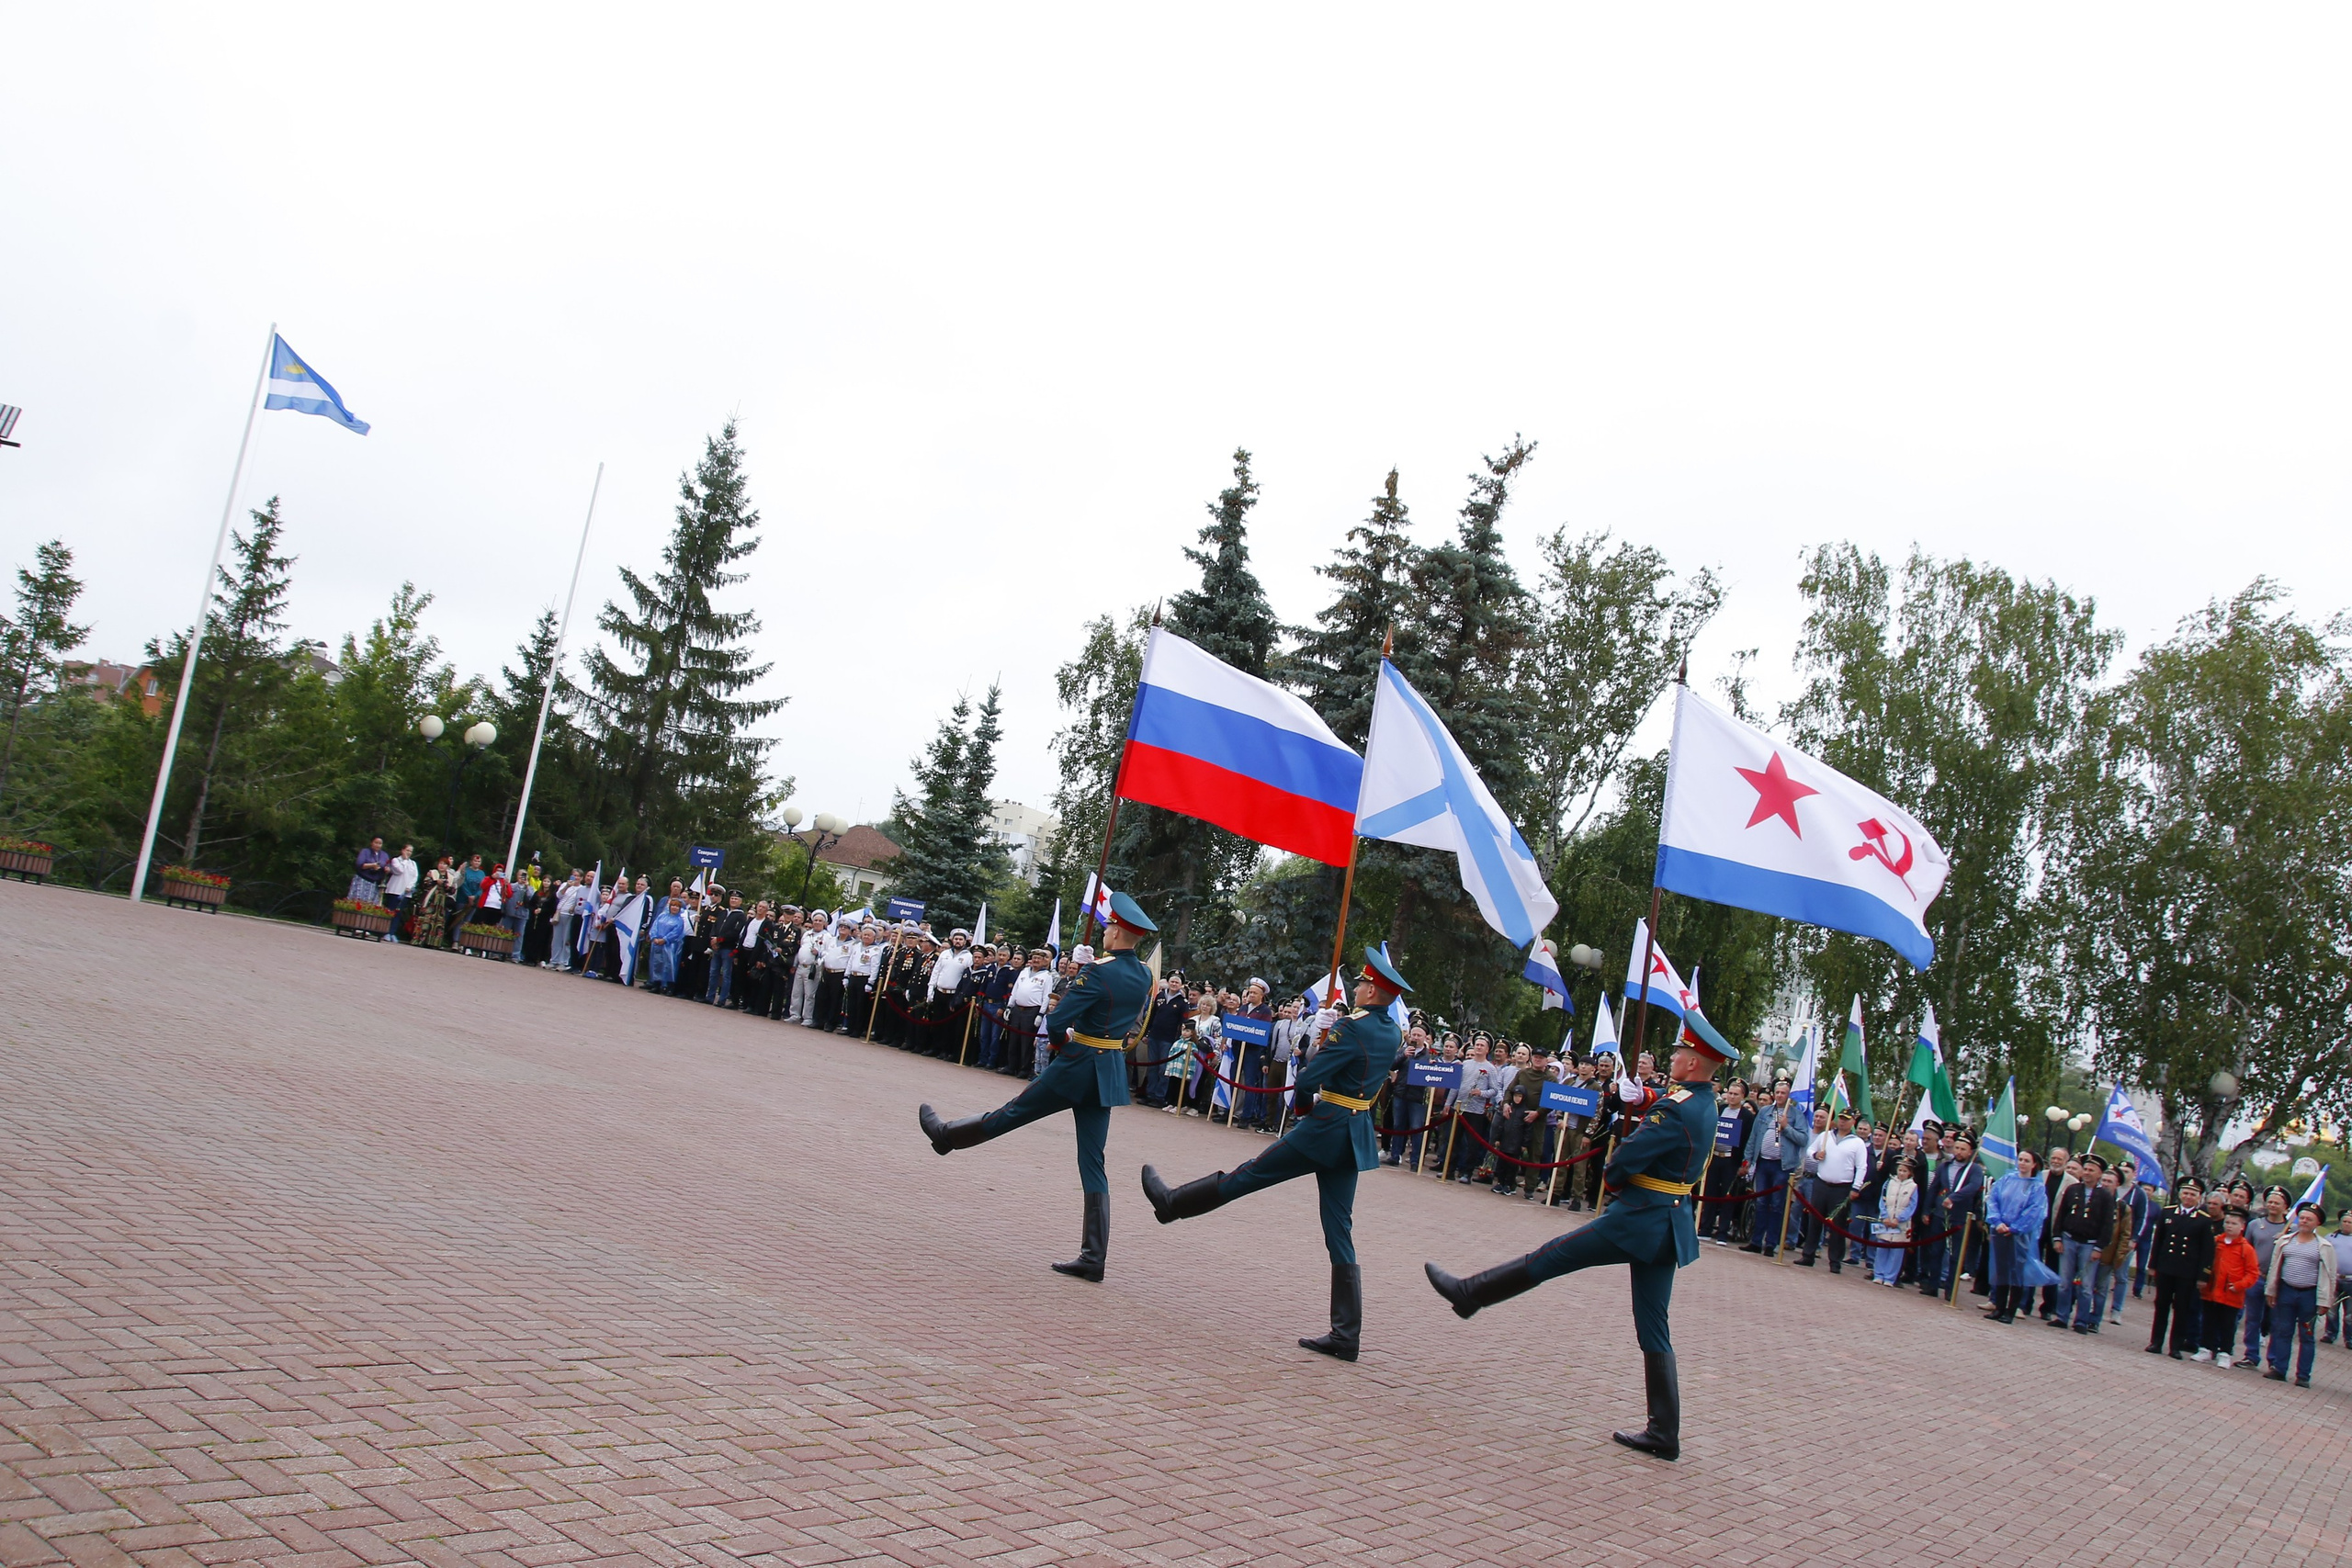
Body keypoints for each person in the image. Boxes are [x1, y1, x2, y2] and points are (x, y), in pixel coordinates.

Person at [1421, 1016, 1737, 1463]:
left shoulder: (1676, 1106)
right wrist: (1645, 1098)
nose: (1671, 1058)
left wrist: (1615, 1174)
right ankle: (1664, 1431)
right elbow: (1669, 1117)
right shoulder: (1704, 1101)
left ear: (1692, 1061)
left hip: (1639, 1218)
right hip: (1669, 1221)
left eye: (1677, 1054)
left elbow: (1626, 1159)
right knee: (1653, 1323)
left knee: (1551, 1256)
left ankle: (1470, 1293)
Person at [1141, 948, 1412, 1361]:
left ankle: (1172, 1202)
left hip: (1324, 1127)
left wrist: (1312, 1065)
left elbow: (1310, 1079)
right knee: (1339, 1228)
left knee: (1247, 1175)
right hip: (1355, 1131)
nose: (1356, 987)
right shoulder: (1391, 1031)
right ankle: (1346, 1334)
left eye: (1362, 983)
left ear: (1373, 991)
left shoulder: (1351, 1029)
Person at [919, 893, 1158, 1282]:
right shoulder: (1145, 975)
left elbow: (1060, 1016)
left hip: (1077, 1065)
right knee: (1093, 1161)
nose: (1105, 934)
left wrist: (1064, 1042)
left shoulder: (1098, 970)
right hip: (1108, 1069)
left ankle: (947, 1136)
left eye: (1108, 928)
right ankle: (1093, 1257)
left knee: (1012, 1113)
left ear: (1116, 930)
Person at [2262, 1203, 2337, 1386]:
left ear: (2317, 1223)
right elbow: (2274, 1268)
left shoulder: (2324, 1247)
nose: (2304, 1221)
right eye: (2301, 1218)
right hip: (2286, 1291)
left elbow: (2330, 1276)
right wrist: (2271, 1290)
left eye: (2308, 1219)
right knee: (2282, 1331)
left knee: (2307, 1335)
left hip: (2308, 1295)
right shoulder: (2286, 1241)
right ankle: (2279, 1368)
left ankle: (2303, 1375)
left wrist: (2325, 1301)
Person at [2144, 1179, 2214, 1359]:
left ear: (2199, 1197)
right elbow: (2158, 1241)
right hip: (2166, 1267)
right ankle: (2156, 1342)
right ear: (2180, 1194)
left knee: (2182, 1309)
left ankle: (2175, 1346)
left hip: (2187, 1271)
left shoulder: (2204, 1220)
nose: (2188, 1197)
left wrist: (2202, 1276)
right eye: (2185, 1193)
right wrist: (2152, 1265)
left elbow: (2207, 1251)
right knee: (2161, 1305)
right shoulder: (2168, 1213)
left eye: (2193, 1194)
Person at [1983, 1148, 2052, 1324]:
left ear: (2034, 1164)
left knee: (2016, 1272)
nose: (2022, 1163)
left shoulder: (2036, 1187)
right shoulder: (2006, 1180)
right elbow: (1992, 1199)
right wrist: (1997, 1221)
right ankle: (1998, 1307)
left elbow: (2035, 1211)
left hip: (2020, 1236)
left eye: (2026, 1160)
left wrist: (2015, 1228)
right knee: (2001, 1270)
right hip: (1999, 1230)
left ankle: (2011, 1310)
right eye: (2020, 1159)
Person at [2050, 1155, 2117, 1333]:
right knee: (2064, 1282)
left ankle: (2081, 1320)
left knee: (2086, 1286)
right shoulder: (2072, 1190)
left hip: (2090, 1244)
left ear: (2099, 1173)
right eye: (2085, 1169)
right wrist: (2057, 1237)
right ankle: (2062, 1316)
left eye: (2091, 1170)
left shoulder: (2105, 1196)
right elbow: (2061, 1215)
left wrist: (2099, 1247)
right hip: (2069, 1239)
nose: (2087, 1173)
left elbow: (2107, 1225)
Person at [1798, 1109, 1868, 1272]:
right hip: (1821, 1183)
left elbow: (1862, 1167)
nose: (1842, 1122)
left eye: (1846, 1119)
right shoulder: (1826, 1136)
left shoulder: (1857, 1143)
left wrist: (1856, 1187)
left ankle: (1835, 1261)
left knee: (1838, 1225)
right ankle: (1808, 1254)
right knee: (1814, 1220)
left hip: (1842, 1188)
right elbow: (1809, 1150)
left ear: (1852, 1122)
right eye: (1841, 1118)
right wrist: (1816, 1155)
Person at [2196, 1208, 2259, 1366]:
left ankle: (2225, 1352)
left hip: (2231, 1294)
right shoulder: (2216, 1242)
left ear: (2242, 1227)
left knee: (2227, 1324)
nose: (2229, 1226)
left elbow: (2252, 1273)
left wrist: (2239, 1285)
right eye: (2227, 1222)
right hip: (2211, 1291)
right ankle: (2205, 1349)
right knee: (2208, 1320)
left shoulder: (2246, 1249)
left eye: (2234, 1223)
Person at [2240, 1187, 2291, 1371]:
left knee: (2277, 1322)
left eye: (2277, 1202)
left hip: (2278, 1282)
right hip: (2257, 1277)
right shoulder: (2255, 1225)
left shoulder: (2292, 1229)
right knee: (2252, 1318)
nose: (2272, 1205)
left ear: (2285, 1206)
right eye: (2270, 1201)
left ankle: (2274, 1360)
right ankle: (2251, 1355)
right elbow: (2246, 1249)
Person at [1872, 1156, 1918, 1285]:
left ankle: (1890, 1277)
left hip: (1901, 1223)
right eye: (1900, 1170)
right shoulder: (1889, 1183)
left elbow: (1912, 1206)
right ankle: (1878, 1274)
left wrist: (1900, 1218)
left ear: (1910, 1173)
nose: (1901, 1173)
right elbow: (1882, 1200)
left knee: (1896, 1252)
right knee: (1882, 1247)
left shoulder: (1913, 1187)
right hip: (1886, 1219)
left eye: (1905, 1171)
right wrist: (1885, 1216)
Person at [412, 855, 458, 950]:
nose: (442, 866)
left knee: (438, 922)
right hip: (431, 899)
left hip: (441, 902)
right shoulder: (432, 873)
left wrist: (446, 886)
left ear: (448, 866)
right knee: (426, 920)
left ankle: (433, 942)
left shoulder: (450, 877)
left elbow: (452, 891)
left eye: (444, 864)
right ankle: (420, 940)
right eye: (440, 863)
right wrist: (436, 882)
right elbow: (425, 884)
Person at [647, 897, 686, 994]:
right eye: (673, 905)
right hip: (657, 944)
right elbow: (655, 927)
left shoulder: (679, 920)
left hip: (670, 946)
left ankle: (668, 986)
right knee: (657, 964)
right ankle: (656, 984)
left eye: (677, 906)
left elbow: (676, 932)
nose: (674, 908)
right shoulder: (662, 916)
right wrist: (654, 937)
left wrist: (665, 940)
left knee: (669, 965)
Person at [379, 844, 418, 942]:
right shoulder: (396, 860)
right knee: (391, 911)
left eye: (410, 851)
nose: (408, 853)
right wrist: (404, 860)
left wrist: (410, 887)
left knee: (398, 913)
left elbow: (415, 876)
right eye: (407, 850)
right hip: (394, 890)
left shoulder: (413, 863)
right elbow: (399, 870)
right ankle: (386, 932)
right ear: (402, 850)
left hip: (406, 892)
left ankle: (392, 932)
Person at [350, 837, 392, 906]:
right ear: (372, 843)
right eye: (376, 843)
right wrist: (372, 865)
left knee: (371, 904)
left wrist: (387, 869)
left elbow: (388, 866)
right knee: (358, 902)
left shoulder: (384, 855)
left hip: (375, 882)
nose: (378, 845)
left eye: (380, 843)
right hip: (363, 879)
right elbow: (359, 864)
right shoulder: (365, 851)